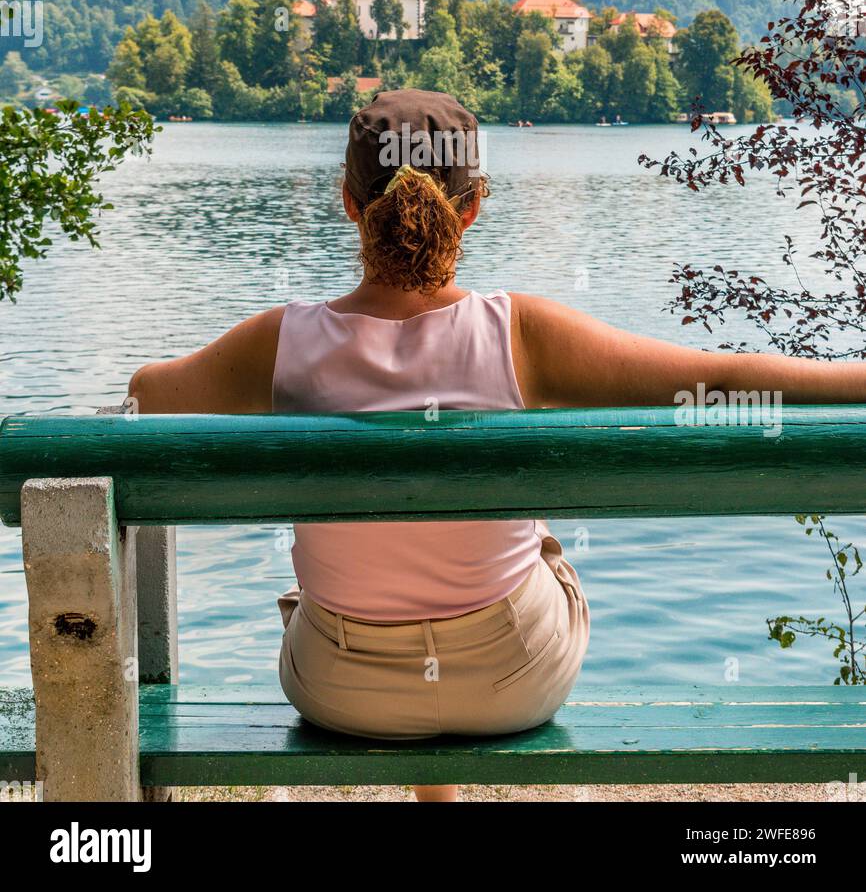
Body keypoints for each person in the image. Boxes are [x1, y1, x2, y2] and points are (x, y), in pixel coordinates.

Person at [129, 88, 866, 803]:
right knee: (529, 540)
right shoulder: (522, 335)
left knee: (334, 581)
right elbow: (718, 380)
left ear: (349, 204)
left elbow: (144, 398)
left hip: (344, 691)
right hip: (515, 680)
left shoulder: (279, 344)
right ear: (474, 206)